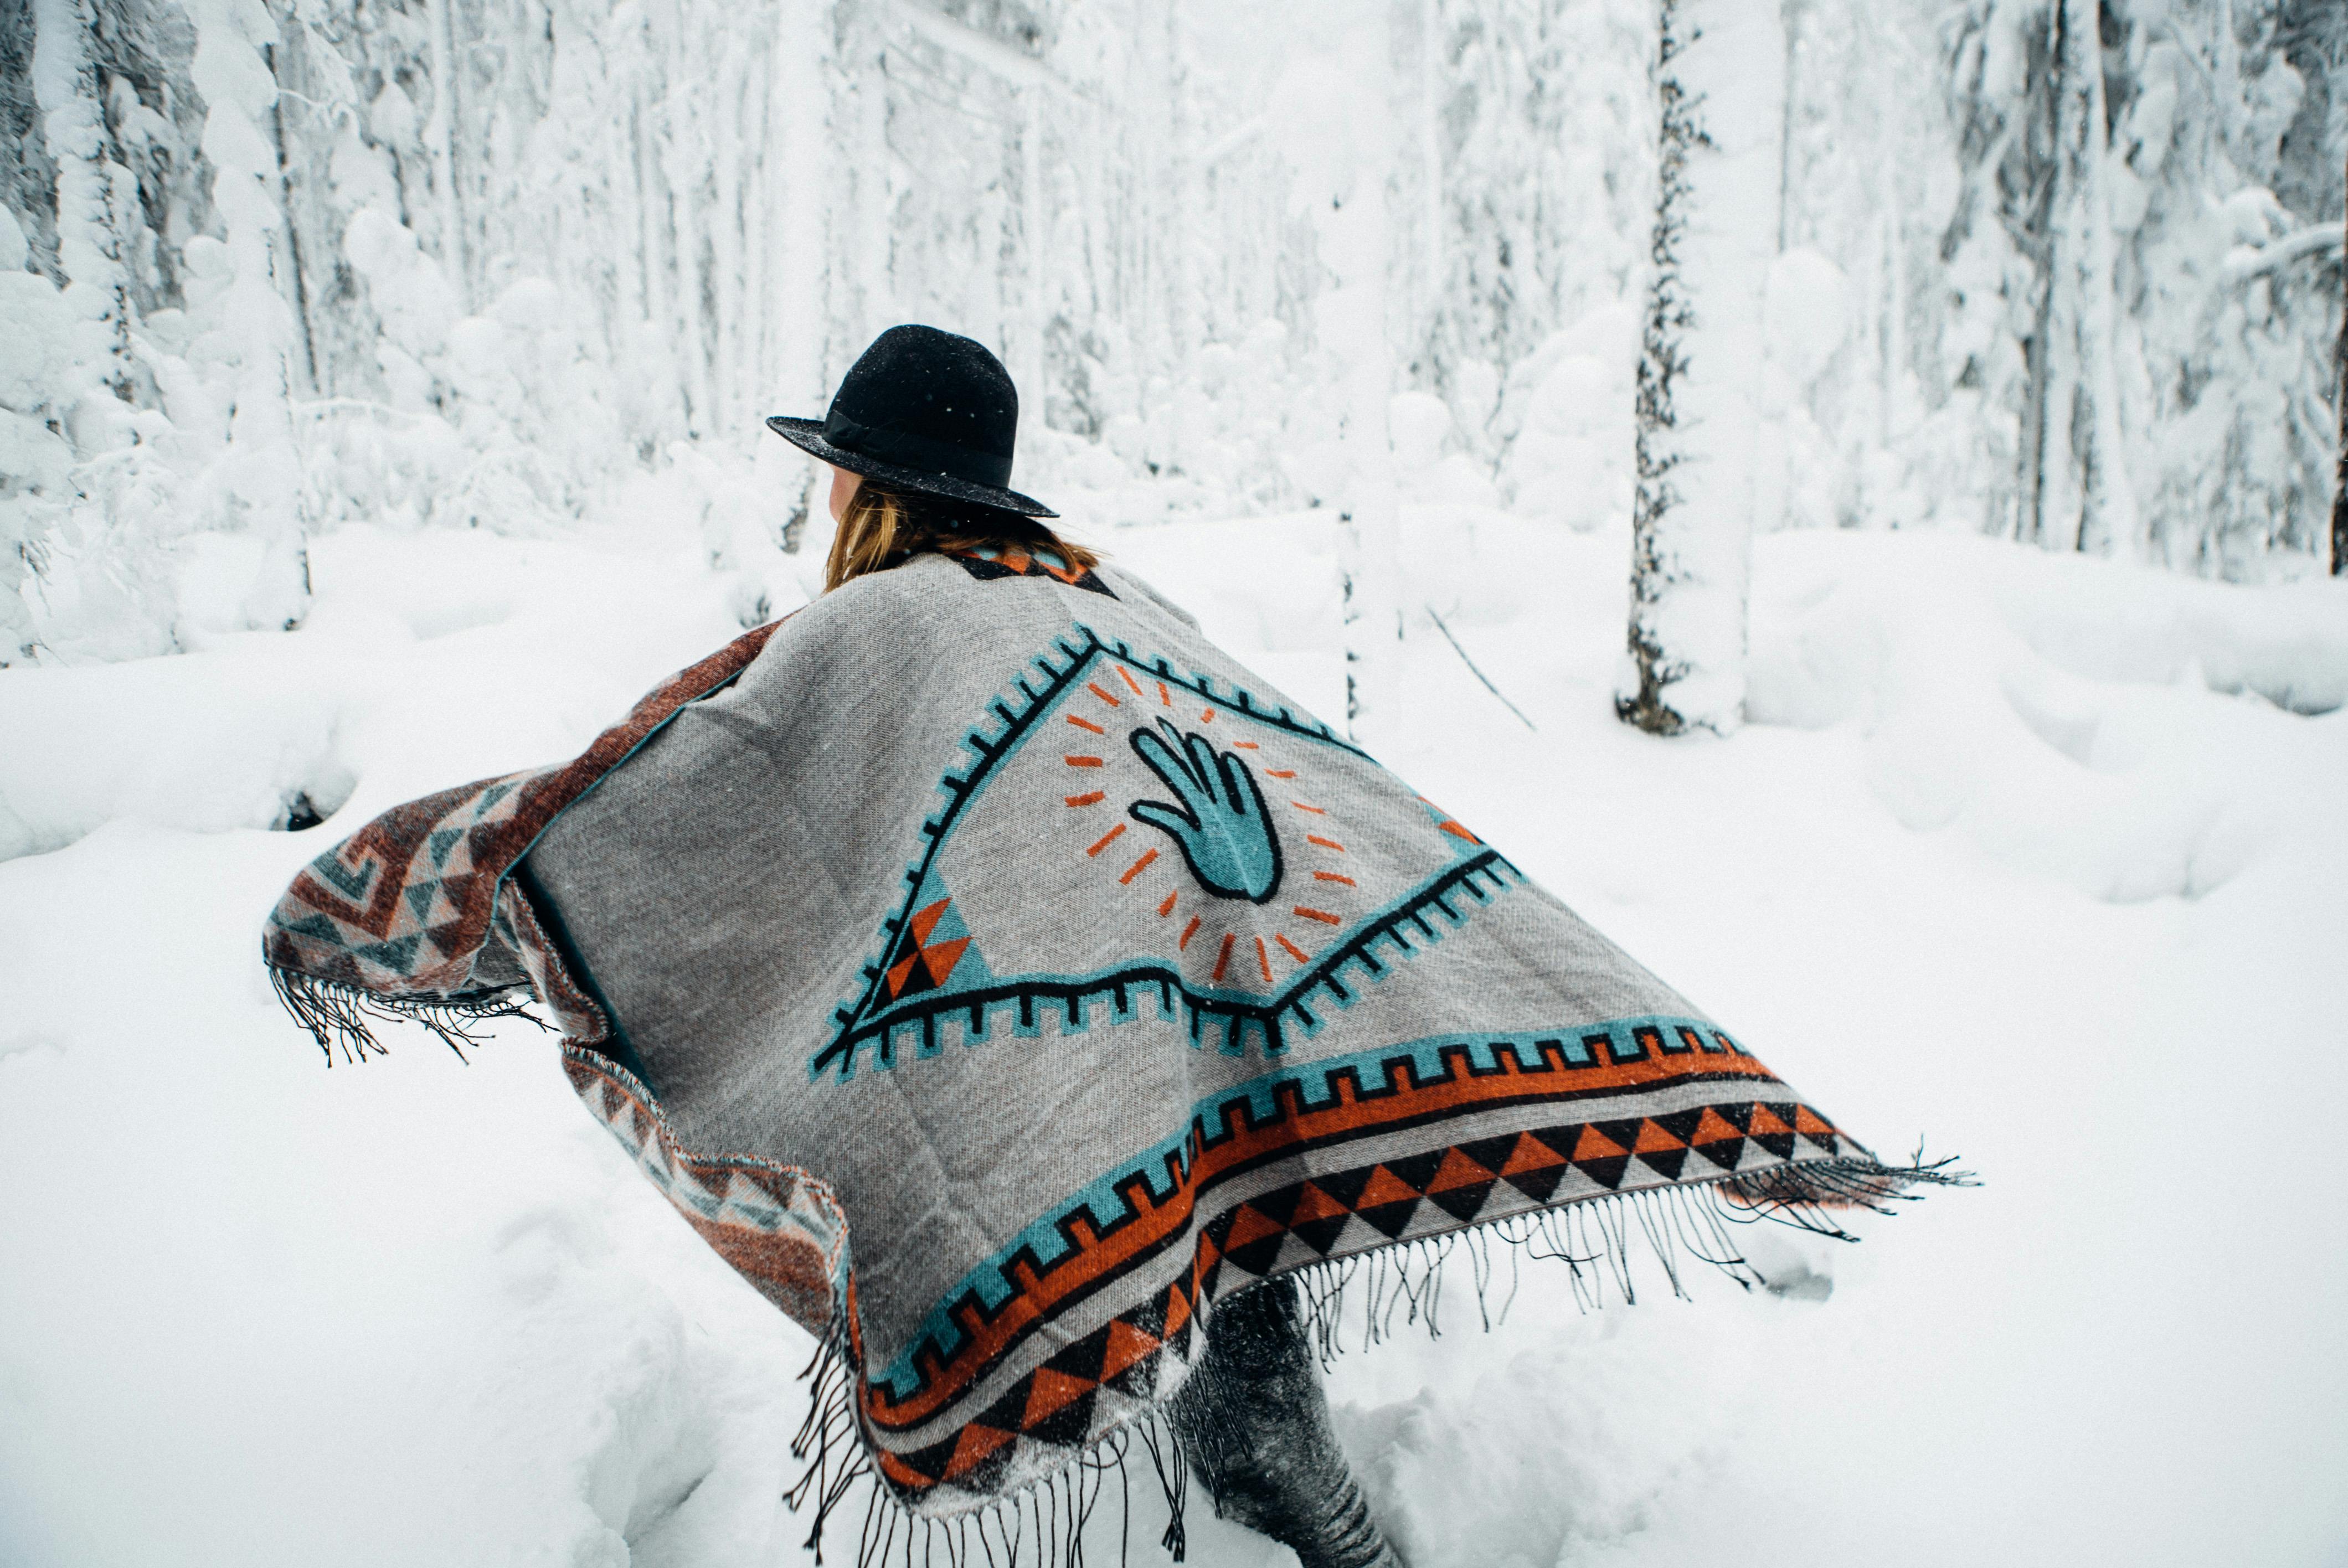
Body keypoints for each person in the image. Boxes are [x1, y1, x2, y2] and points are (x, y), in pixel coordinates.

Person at [263, 324, 1945, 1568]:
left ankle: (1224, 1409)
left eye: (834, 472)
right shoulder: (1102, 592)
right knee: (1222, 1050)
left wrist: (433, 882)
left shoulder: (874, 626)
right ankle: (1258, 1397)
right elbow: (1318, 783)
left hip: (1070, 1004)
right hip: (1221, 973)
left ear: (863, 487)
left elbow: (690, 796)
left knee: (1048, 1071)